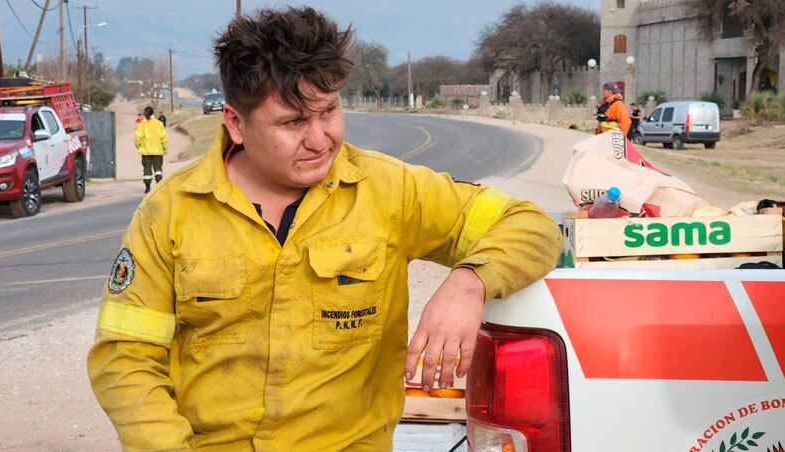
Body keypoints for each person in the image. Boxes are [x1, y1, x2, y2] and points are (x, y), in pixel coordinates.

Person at [88, 7, 562, 450]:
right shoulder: (169, 211)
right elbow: (126, 359)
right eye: (293, 122)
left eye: (329, 111)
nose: (320, 139)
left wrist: (469, 282)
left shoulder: (390, 190)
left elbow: (530, 224)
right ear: (235, 122)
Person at [134, 105, 168, 193]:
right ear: (153, 113)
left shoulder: (141, 125)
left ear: (145, 114)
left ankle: (147, 188)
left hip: (146, 153)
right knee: (158, 169)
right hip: (158, 152)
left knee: (147, 170)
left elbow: (138, 138)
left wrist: (138, 146)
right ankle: (159, 186)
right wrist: (165, 149)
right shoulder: (159, 124)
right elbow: (164, 138)